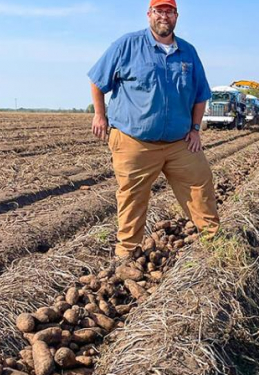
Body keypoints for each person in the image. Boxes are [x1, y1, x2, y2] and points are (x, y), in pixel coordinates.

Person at [87, 0, 219, 258]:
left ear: (176, 17)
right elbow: (97, 80)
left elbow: (201, 94)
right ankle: (127, 254)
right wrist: (100, 115)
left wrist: (195, 129)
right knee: (132, 197)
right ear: (149, 15)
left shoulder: (188, 53)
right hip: (133, 141)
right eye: (159, 11)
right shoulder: (127, 45)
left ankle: (215, 244)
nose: (164, 16)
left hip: (179, 142)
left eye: (169, 11)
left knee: (200, 185)